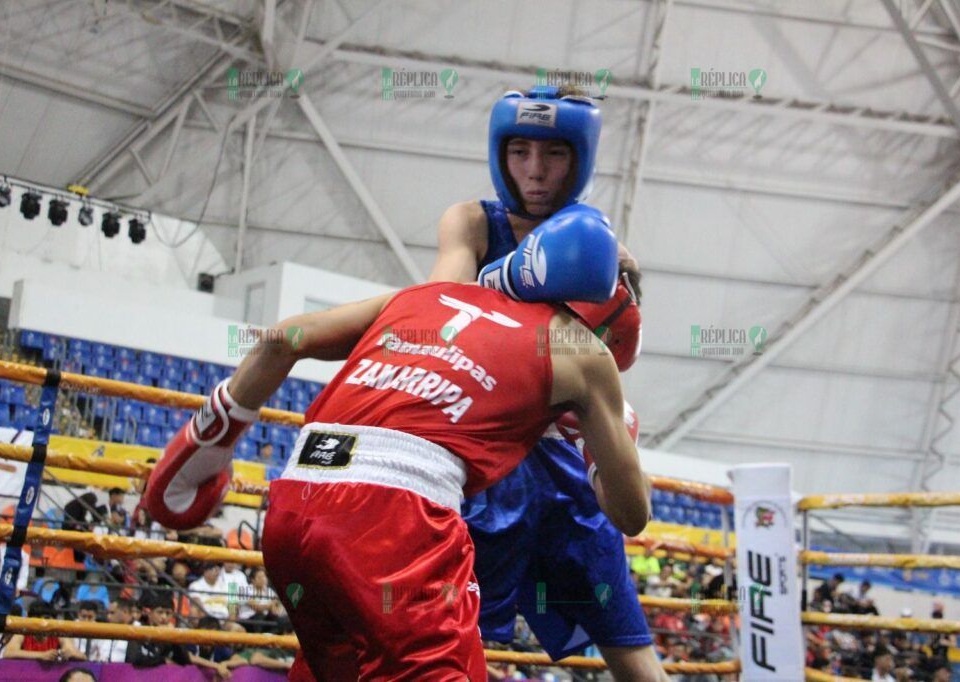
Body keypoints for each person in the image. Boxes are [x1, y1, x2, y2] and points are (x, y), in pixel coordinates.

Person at [144, 227, 651, 681]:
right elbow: (632, 515)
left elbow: (282, 340)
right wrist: (597, 445)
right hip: (393, 526)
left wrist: (213, 437)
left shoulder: (430, 296)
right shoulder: (582, 351)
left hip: (295, 506)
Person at [430, 85, 661, 679]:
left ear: (578, 158)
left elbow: (619, 355)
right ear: (499, 153)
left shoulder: (602, 249)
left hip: (568, 456)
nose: (535, 171)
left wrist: (623, 287)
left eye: (554, 154)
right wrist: (516, 276)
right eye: (521, 151)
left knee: (630, 648)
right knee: (454, 646)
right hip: (489, 456)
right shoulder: (471, 222)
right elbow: (438, 310)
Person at [1, 600, 87, 662]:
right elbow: (8, 653)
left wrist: (69, 654)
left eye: (46, 618)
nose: (42, 623)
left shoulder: (58, 634)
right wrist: (41, 655)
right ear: (29, 619)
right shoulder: (22, 634)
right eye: (37, 618)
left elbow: (82, 656)